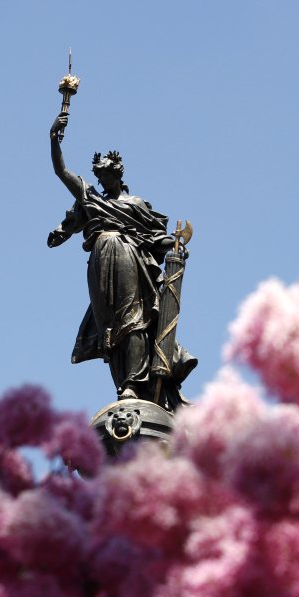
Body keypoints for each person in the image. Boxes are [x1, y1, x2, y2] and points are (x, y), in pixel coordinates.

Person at [47, 112, 196, 409]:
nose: (102, 181)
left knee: (134, 320)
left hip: (128, 256)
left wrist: (176, 247)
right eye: (99, 176)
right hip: (101, 263)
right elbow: (62, 172)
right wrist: (54, 138)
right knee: (110, 327)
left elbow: (156, 238)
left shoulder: (135, 205)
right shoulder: (92, 200)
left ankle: (131, 383)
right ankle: (122, 382)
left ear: (118, 174)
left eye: (107, 175)